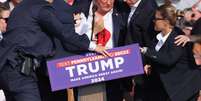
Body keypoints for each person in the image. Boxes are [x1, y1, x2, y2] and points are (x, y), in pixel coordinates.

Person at [0, 0, 107, 101]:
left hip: (7, 68)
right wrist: (93, 46)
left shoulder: (21, 7)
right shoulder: (42, 8)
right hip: (21, 71)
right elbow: (64, 33)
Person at [141, 3, 201, 101]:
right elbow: (158, 55)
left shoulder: (178, 37)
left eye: (156, 19)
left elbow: (169, 59)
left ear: (166, 21)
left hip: (185, 88)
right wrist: (149, 64)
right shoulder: (157, 38)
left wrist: (145, 51)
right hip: (169, 89)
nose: (153, 21)